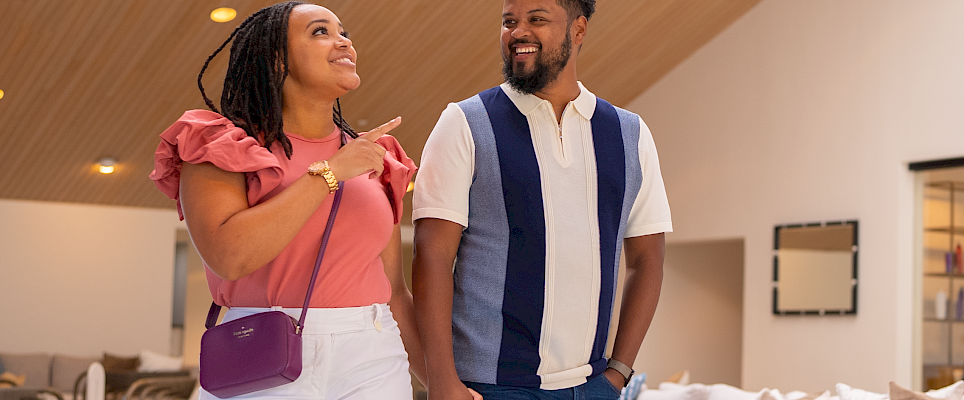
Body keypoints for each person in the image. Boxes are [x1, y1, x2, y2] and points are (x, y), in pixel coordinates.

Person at [149, 2, 421, 398]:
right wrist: (329, 173)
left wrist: (442, 383)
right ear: (277, 60)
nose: (343, 41)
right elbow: (229, 256)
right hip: (261, 351)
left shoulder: (374, 156)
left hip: (373, 354)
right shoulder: (222, 145)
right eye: (320, 32)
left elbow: (395, 291)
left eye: (343, 32)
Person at [409, 0, 672, 399]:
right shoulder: (464, 122)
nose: (518, 32)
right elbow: (432, 256)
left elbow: (647, 259)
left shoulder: (629, 134)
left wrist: (617, 373)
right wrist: (442, 382)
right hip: (490, 387)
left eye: (537, 19)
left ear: (578, 30)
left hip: (592, 387)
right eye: (509, 21)